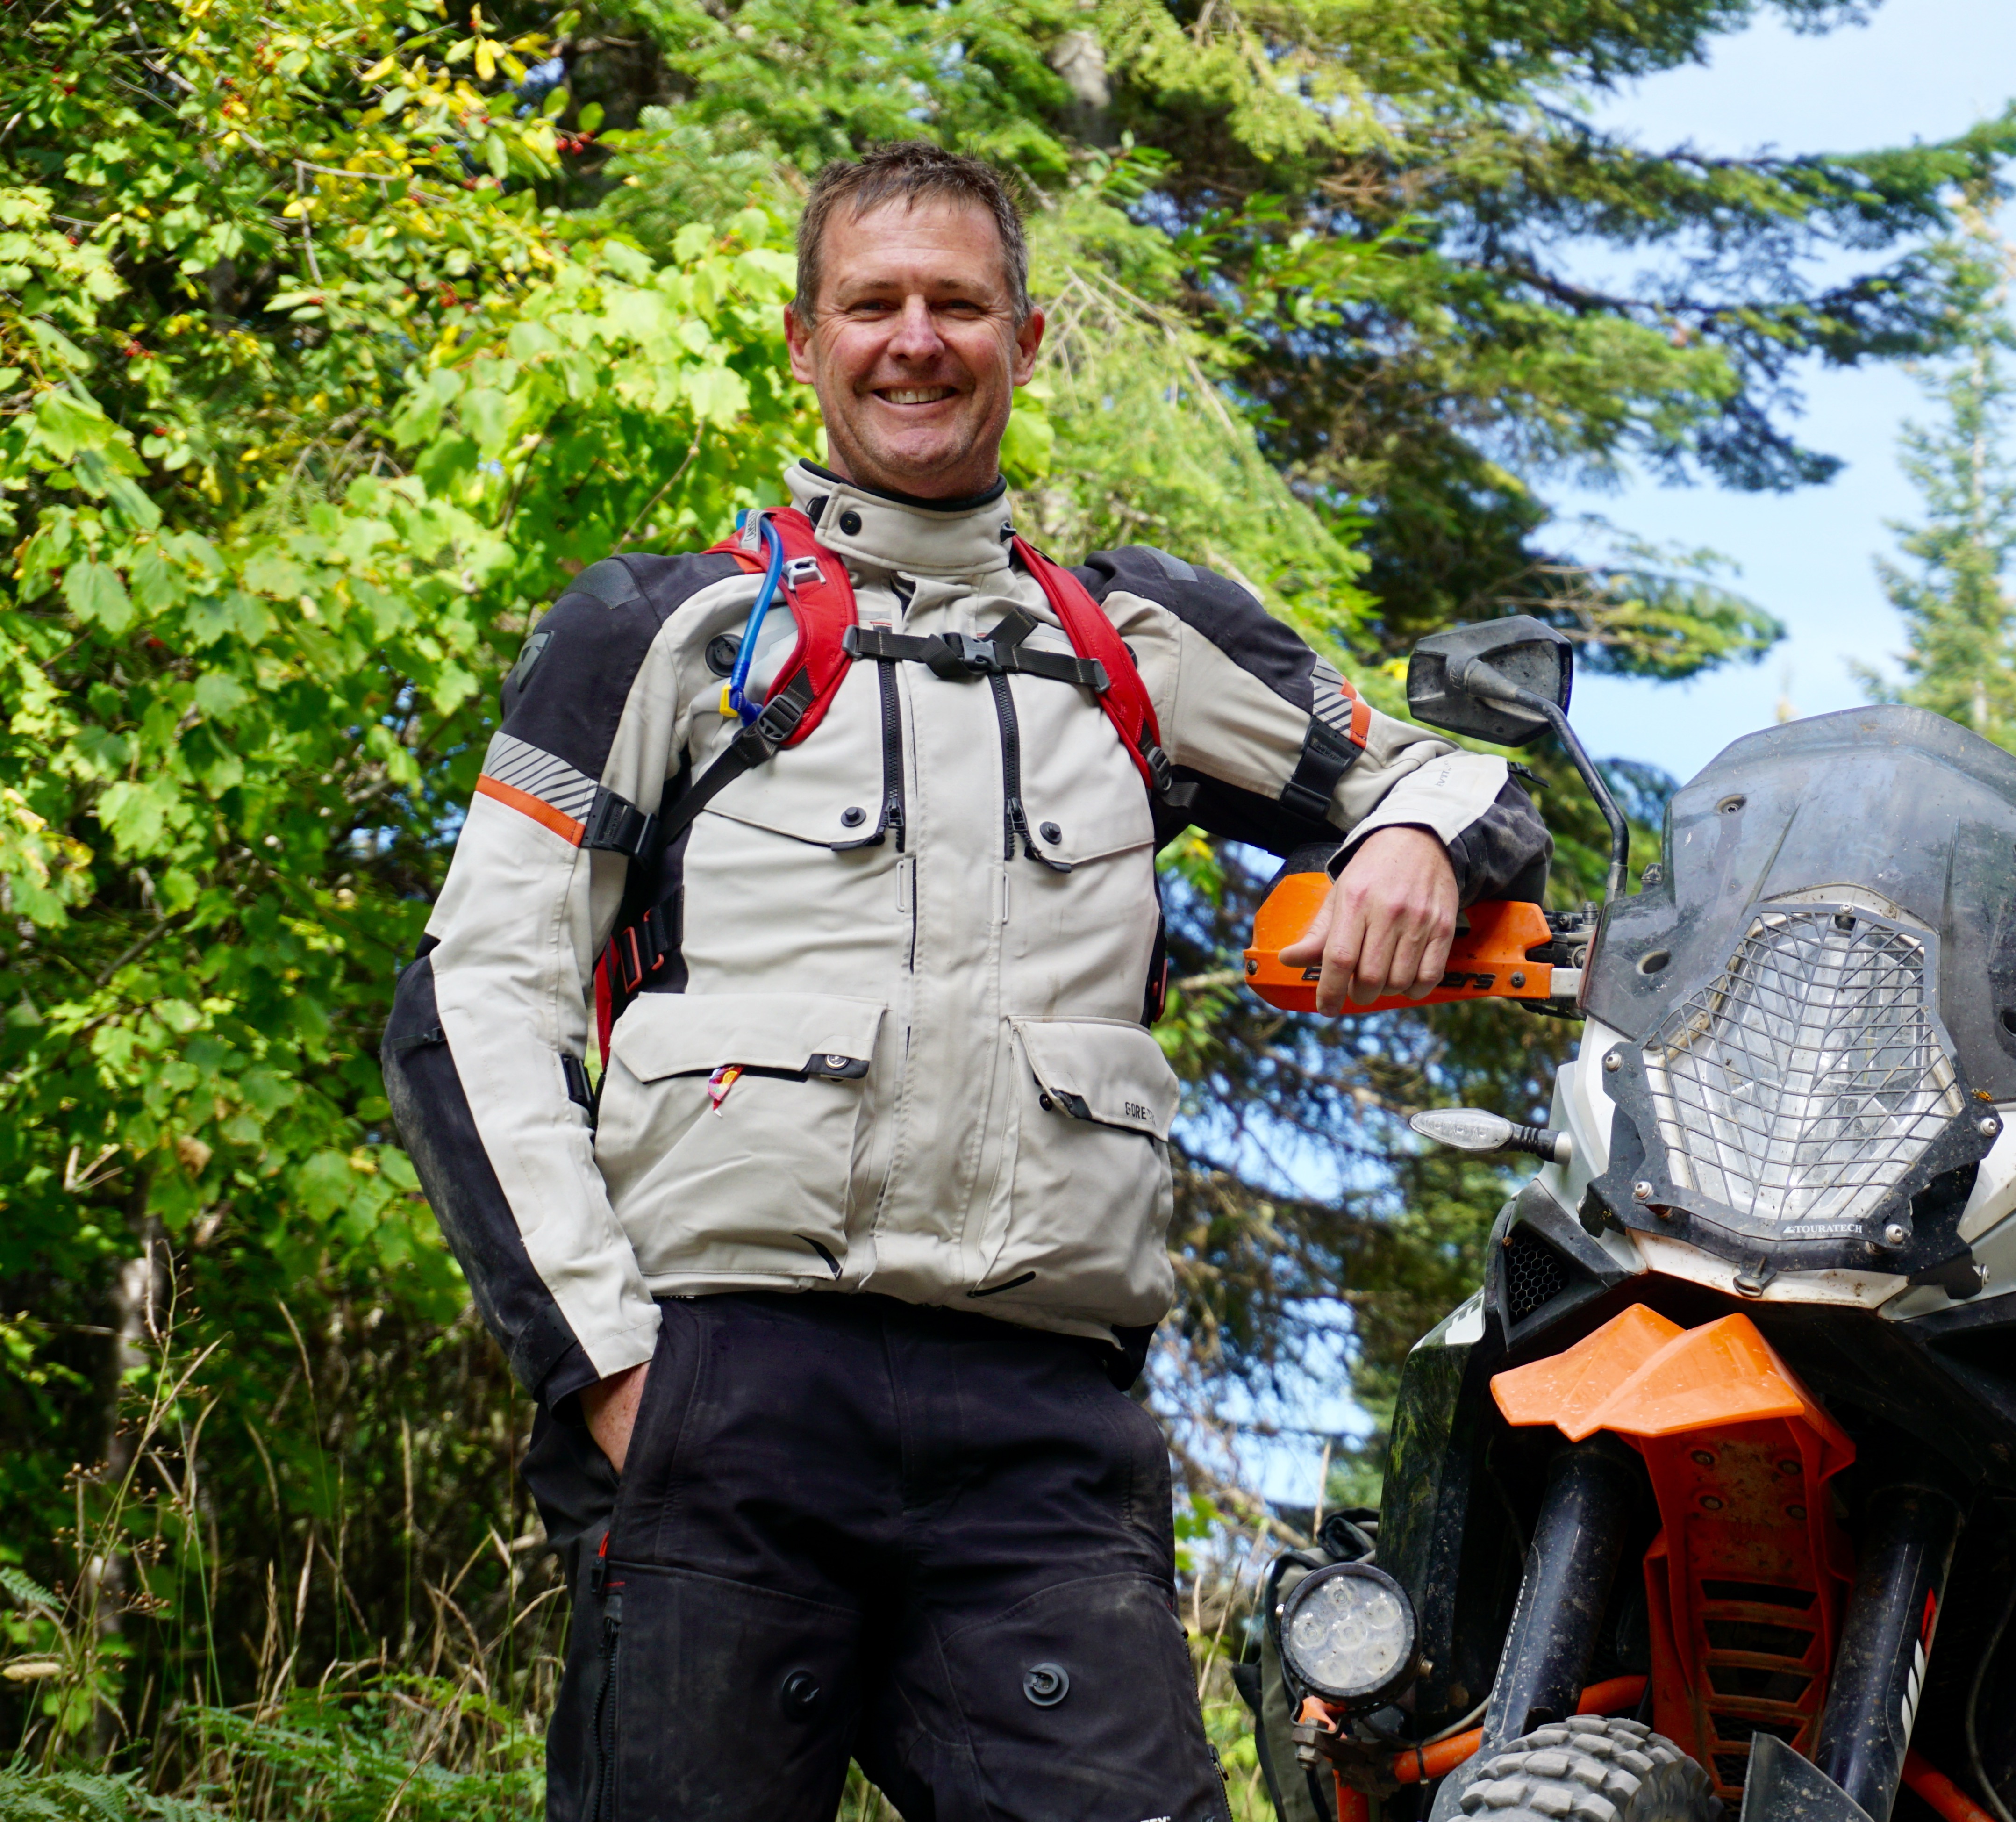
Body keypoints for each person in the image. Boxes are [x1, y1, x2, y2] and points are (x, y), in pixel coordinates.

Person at [381, 141, 1551, 1821]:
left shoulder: (1138, 642)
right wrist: (616, 1373)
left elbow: (1453, 778)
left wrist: (1417, 841)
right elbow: (472, 996)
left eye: (959, 303)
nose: (916, 339)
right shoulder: (663, 630)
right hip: (725, 1388)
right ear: (807, 341)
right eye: (873, 304)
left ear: (1028, 336)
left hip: (1041, 1437)